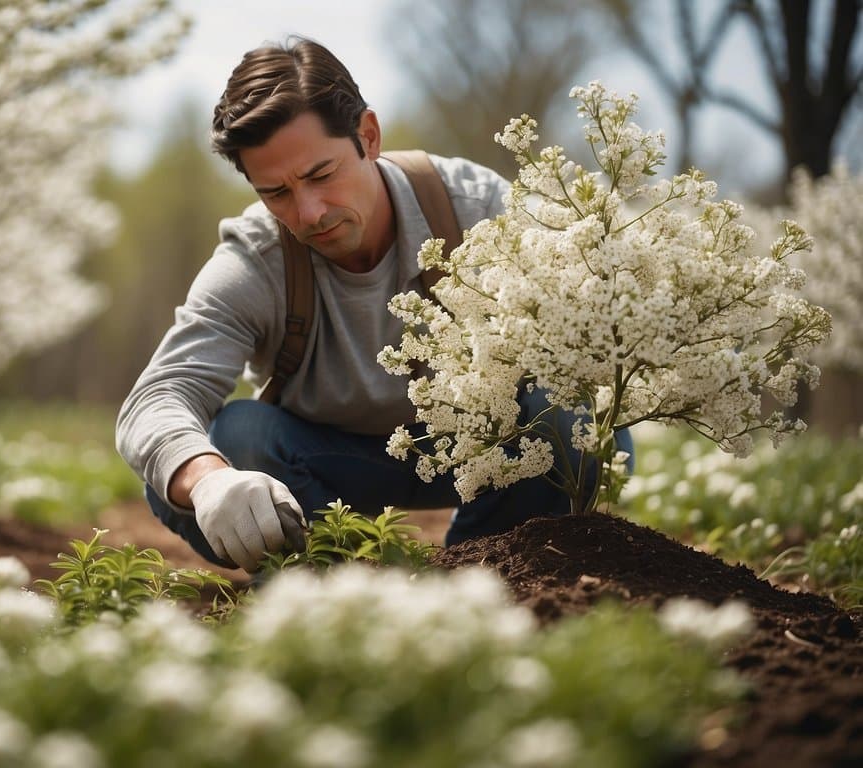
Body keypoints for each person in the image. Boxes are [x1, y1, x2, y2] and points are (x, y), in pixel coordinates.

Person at [116, 37, 633, 573]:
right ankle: (336, 584)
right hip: (323, 469)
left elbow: (595, 342)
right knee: (230, 443)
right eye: (277, 193)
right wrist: (209, 481)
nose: (311, 212)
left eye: (321, 175)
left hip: (489, 458)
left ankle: (486, 576)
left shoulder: (477, 212)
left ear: (368, 135)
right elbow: (158, 395)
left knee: (575, 413)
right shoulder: (257, 259)